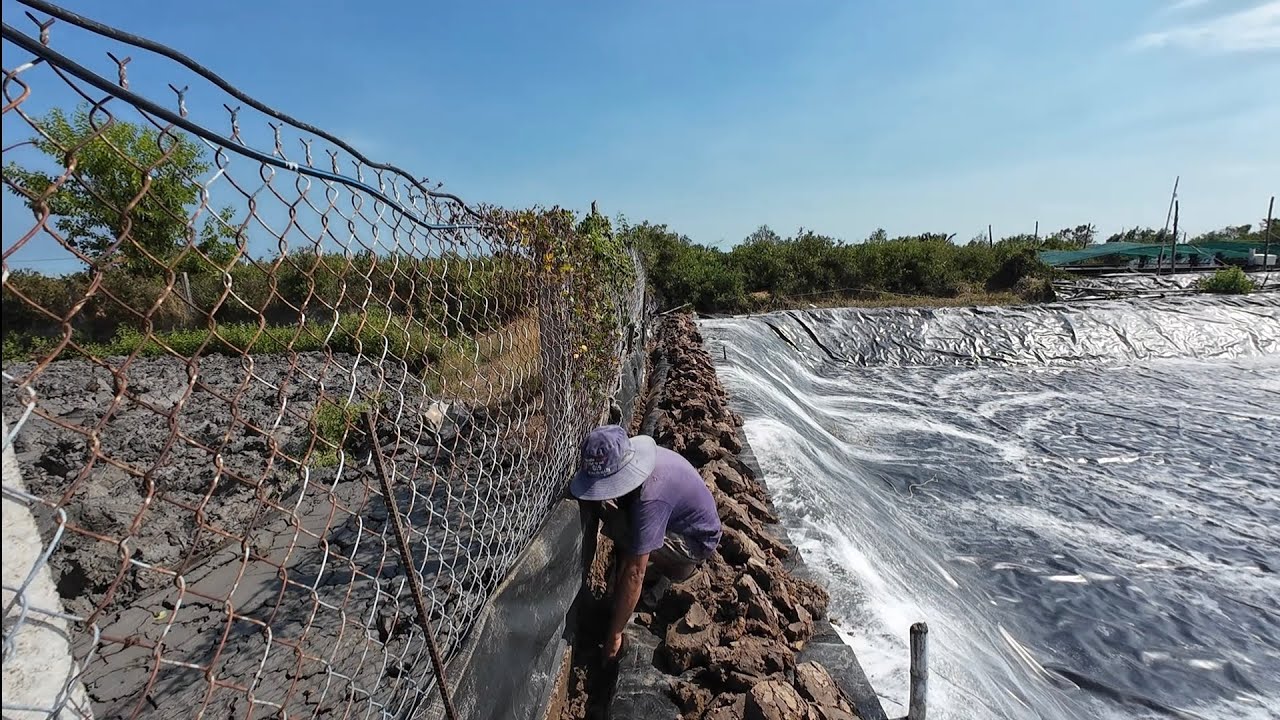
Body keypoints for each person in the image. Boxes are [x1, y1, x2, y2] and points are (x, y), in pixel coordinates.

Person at [570, 425, 722, 661]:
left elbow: (634, 573)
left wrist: (615, 636)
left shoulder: (650, 498)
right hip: (681, 521)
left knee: (628, 536)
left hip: (697, 541)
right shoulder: (639, 469)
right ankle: (632, 588)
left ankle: (675, 572)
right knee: (624, 528)